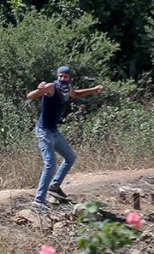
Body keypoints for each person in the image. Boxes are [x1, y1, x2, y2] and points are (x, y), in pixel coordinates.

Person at [26, 65, 103, 208]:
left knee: (70, 157)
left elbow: (76, 94)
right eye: (60, 76)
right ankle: (38, 200)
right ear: (57, 76)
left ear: (69, 77)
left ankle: (54, 186)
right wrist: (39, 90)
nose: (62, 78)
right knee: (50, 163)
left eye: (65, 76)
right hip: (44, 131)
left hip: (54, 131)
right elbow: (29, 96)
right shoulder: (51, 87)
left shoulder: (67, 89)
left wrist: (93, 90)